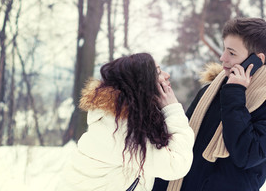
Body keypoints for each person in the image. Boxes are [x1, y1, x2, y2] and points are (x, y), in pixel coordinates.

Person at [153, 17, 266, 191]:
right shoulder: (211, 92)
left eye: (232, 53)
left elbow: (246, 154)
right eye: (225, 50)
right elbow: (179, 143)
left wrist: (235, 94)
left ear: (257, 59)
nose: (222, 58)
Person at [58, 53, 194, 191]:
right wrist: (172, 109)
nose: (166, 75)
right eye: (158, 72)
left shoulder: (125, 120)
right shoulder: (116, 130)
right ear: (142, 84)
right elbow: (176, 165)